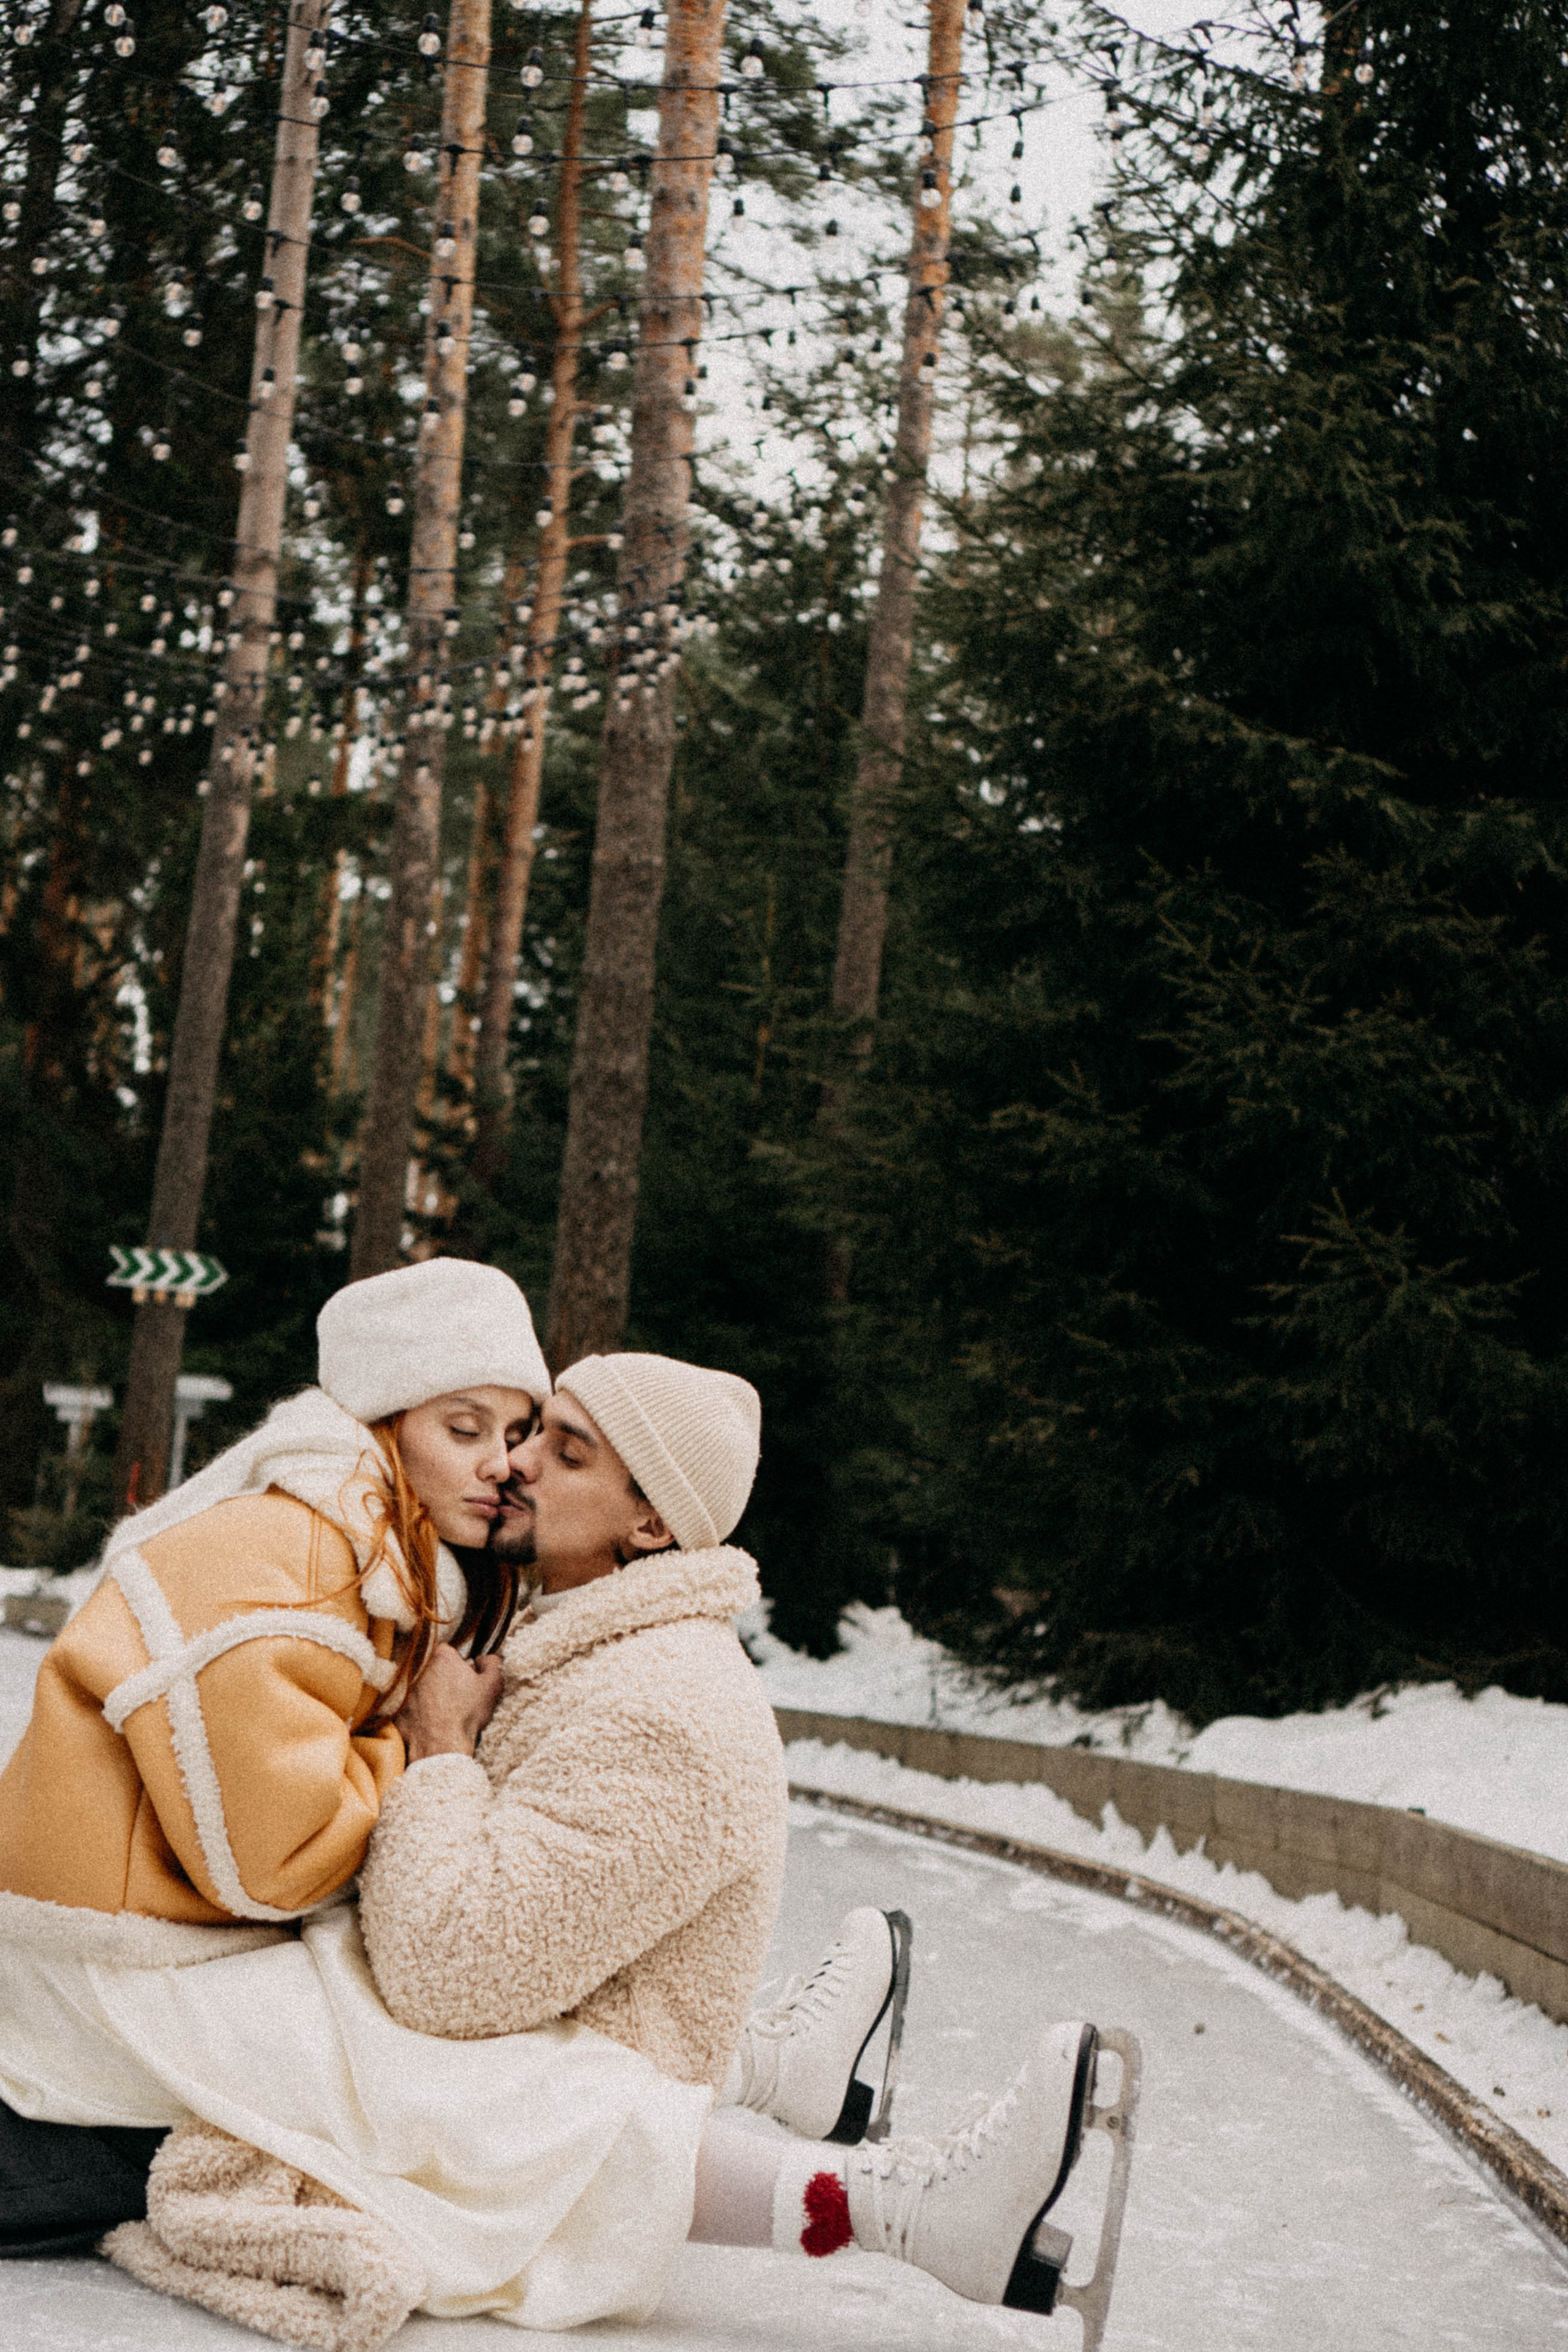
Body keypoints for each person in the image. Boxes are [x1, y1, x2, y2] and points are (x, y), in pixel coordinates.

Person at [53, 1353, 1124, 2347]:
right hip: (514, 2023)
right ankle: (787, 2074)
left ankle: (909, 2205)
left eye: (565, 1453)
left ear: (651, 1524)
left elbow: (447, 1974)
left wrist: (441, 1748)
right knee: (158, 2006)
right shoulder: (580, 1644)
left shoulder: (666, 1713)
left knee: (170, 2021)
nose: (515, 1463)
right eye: (533, 1433)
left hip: (535, 2070)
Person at [0, 1256, 548, 2254]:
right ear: (383, 1422)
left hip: (171, 1935)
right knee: (432, 2094)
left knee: (453, 2060)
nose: (501, 1465)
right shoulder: (296, 1551)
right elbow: (274, 1860)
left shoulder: (371, 1556)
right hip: (113, 1965)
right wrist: (429, 1744)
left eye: (516, 1434)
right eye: (463, 1429)